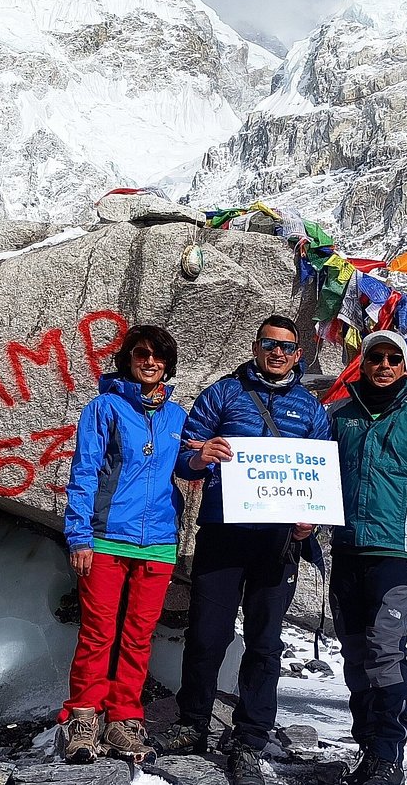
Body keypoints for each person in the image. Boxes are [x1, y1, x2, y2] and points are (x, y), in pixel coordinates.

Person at [155, 314, 331, 785]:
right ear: (255, 347)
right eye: (269, 344)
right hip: (223, 531)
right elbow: (183, 460)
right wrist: (197, 457)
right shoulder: (223, 393)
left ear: (298, 355)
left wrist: (308, 520)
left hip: (278, 542)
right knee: (207, 634)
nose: (277, 353)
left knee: (266, 642)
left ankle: (251, 735)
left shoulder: (311, 409)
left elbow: (321, 478)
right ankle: (191, 724)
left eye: (287, 348)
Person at [327, 330, 407, 785]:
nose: (384, 365)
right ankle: (367, 749)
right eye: (376, 357)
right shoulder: (338, 415)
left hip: (397, 554)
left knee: (384, 651)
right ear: (363, 363)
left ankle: (388, 756)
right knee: (353, 651)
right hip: (346, 549)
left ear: (404, 365)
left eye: (393, 358)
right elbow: (312, 475)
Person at [60, 324, 188, 764]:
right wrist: (79, 535)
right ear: (128, 360)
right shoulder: (105, 407)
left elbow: (187, 466)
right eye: (141, 354)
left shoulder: (177, 416)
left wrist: (208, 457)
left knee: (138, 637)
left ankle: (124, 720)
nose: (149, 361)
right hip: (107, 539)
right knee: (98, 633)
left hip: (158, 542)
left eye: (157, 356)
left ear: (167, 363)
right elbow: (84, 473)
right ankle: (82, 718)